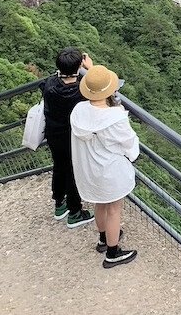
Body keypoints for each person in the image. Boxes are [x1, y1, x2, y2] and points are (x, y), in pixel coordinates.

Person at [71, 63, 139, 268]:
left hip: (89, 169)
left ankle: (103, 238)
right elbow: (129, 144)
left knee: (99, 203)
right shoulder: (115, 118)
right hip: (109, 170)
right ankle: (112, 252)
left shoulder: (78, 111)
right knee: (114, 209)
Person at [41, 48, 95, 228]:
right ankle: (75, 213)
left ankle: (59, 204)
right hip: (73, 137)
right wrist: (91, 69)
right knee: (74, 172)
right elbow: (98, 90)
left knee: (59, 166)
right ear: (80, 66)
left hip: (53, 134)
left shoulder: (49, 84)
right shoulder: (81, 90)